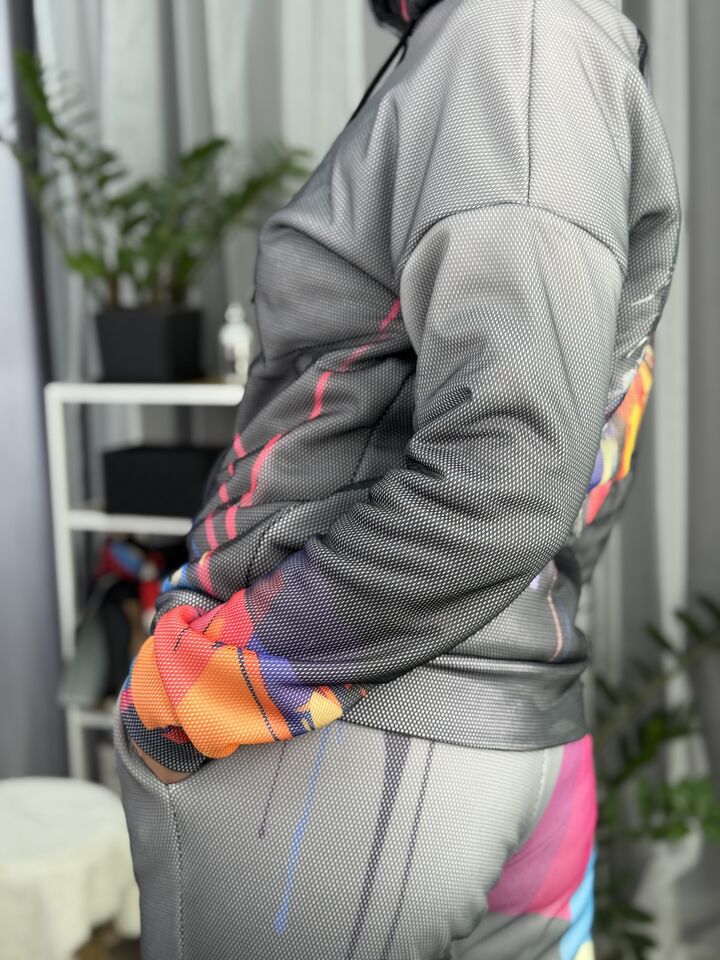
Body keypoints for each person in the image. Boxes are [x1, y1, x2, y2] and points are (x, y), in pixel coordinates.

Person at [112, 0, 681, 957]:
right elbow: (578, 454)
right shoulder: (541, 43)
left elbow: (510, 476)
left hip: (346, 751)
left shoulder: (513, 32)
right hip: (497, 727)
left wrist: (211, 682)